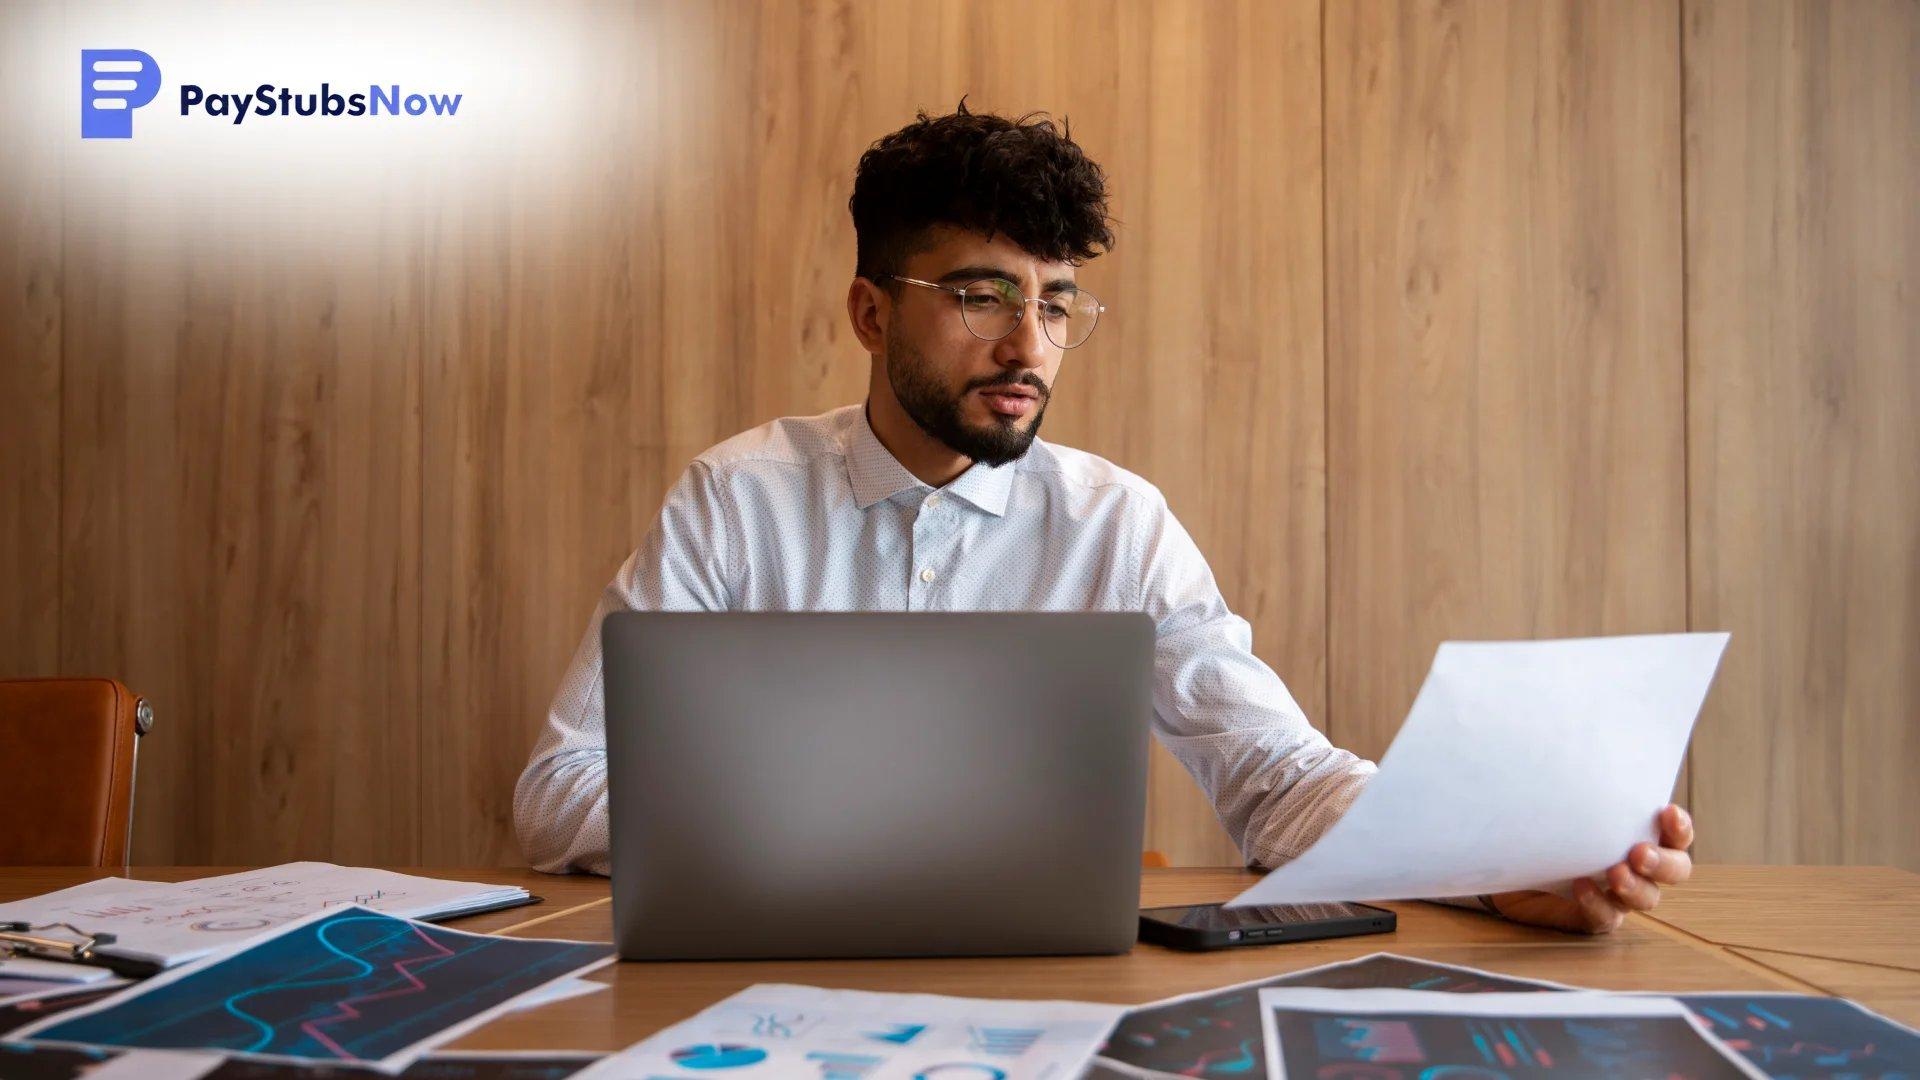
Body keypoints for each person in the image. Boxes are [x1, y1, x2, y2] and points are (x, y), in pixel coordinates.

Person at [513, 102, 1694, 934]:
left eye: (1058, 303)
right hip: (754, 995)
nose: (1029, 347)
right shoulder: (738, 501)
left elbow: (1276, 778)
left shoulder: (1115, 522)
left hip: (1048, 997)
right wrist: (838, 825)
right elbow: (561, 789)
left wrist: (1495, 866)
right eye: (982, 297)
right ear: (872, 313)